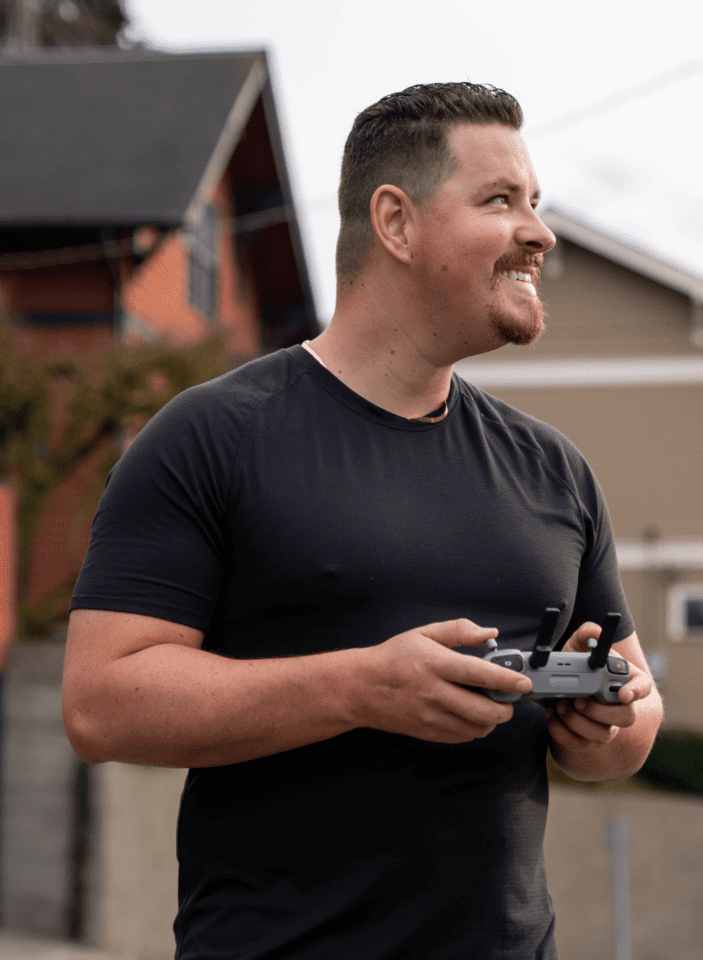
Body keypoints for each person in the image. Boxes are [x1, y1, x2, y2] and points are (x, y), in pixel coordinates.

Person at [63, 82, 663, 960]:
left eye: (536, 204)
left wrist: (609, 722)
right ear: (397, 222)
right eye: (501, 201)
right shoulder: (211, 437)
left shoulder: (555, 471)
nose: (540, 233)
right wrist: (356, 688)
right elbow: (100, 703)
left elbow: (632, 723)